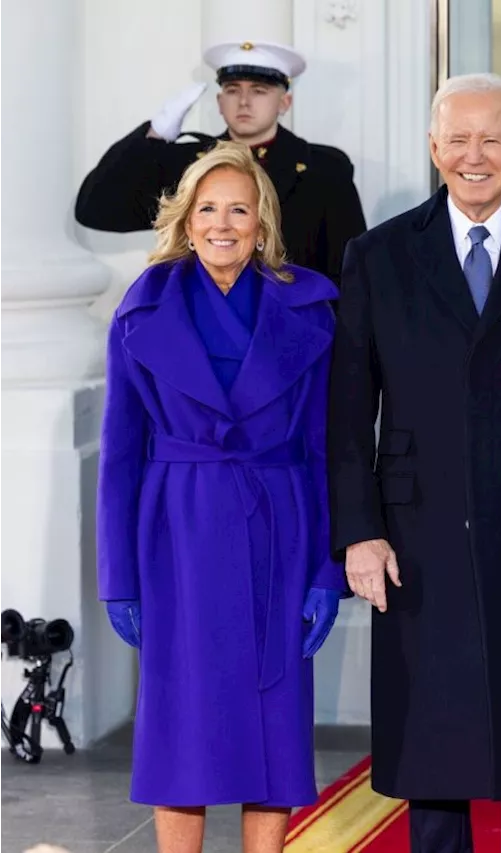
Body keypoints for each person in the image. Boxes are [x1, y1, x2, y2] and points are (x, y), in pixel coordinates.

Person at [326, 72, 501, 853]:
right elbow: (347, 410)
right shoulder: (378, 256)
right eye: (458, 139)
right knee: (432, 743)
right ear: (433, 147)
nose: (473, 156)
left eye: (491, 138)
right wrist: (359, 532)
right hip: (415, 534)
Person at [96, 142, 345, 853]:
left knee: (275, 724)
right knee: (182, 728)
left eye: (240, 208)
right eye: (208, 207)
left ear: (263, 223)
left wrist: (327, 570)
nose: (223, 223)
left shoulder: (312, 307)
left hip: (281, 523)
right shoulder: (141, 308)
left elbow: (327, 448)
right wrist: (119, 577)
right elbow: (118, 454)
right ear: (185, 218)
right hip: (177, 532)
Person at [75, 40, 366, 286]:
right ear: (219, 101)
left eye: (259, 90)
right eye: (232, 90)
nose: (243, 101)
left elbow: (351, 271)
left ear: (284, 103)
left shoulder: (323, 169)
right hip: (202, 328)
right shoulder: (186, 164)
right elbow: (96, 209)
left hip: (293, 332)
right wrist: (155, 135)